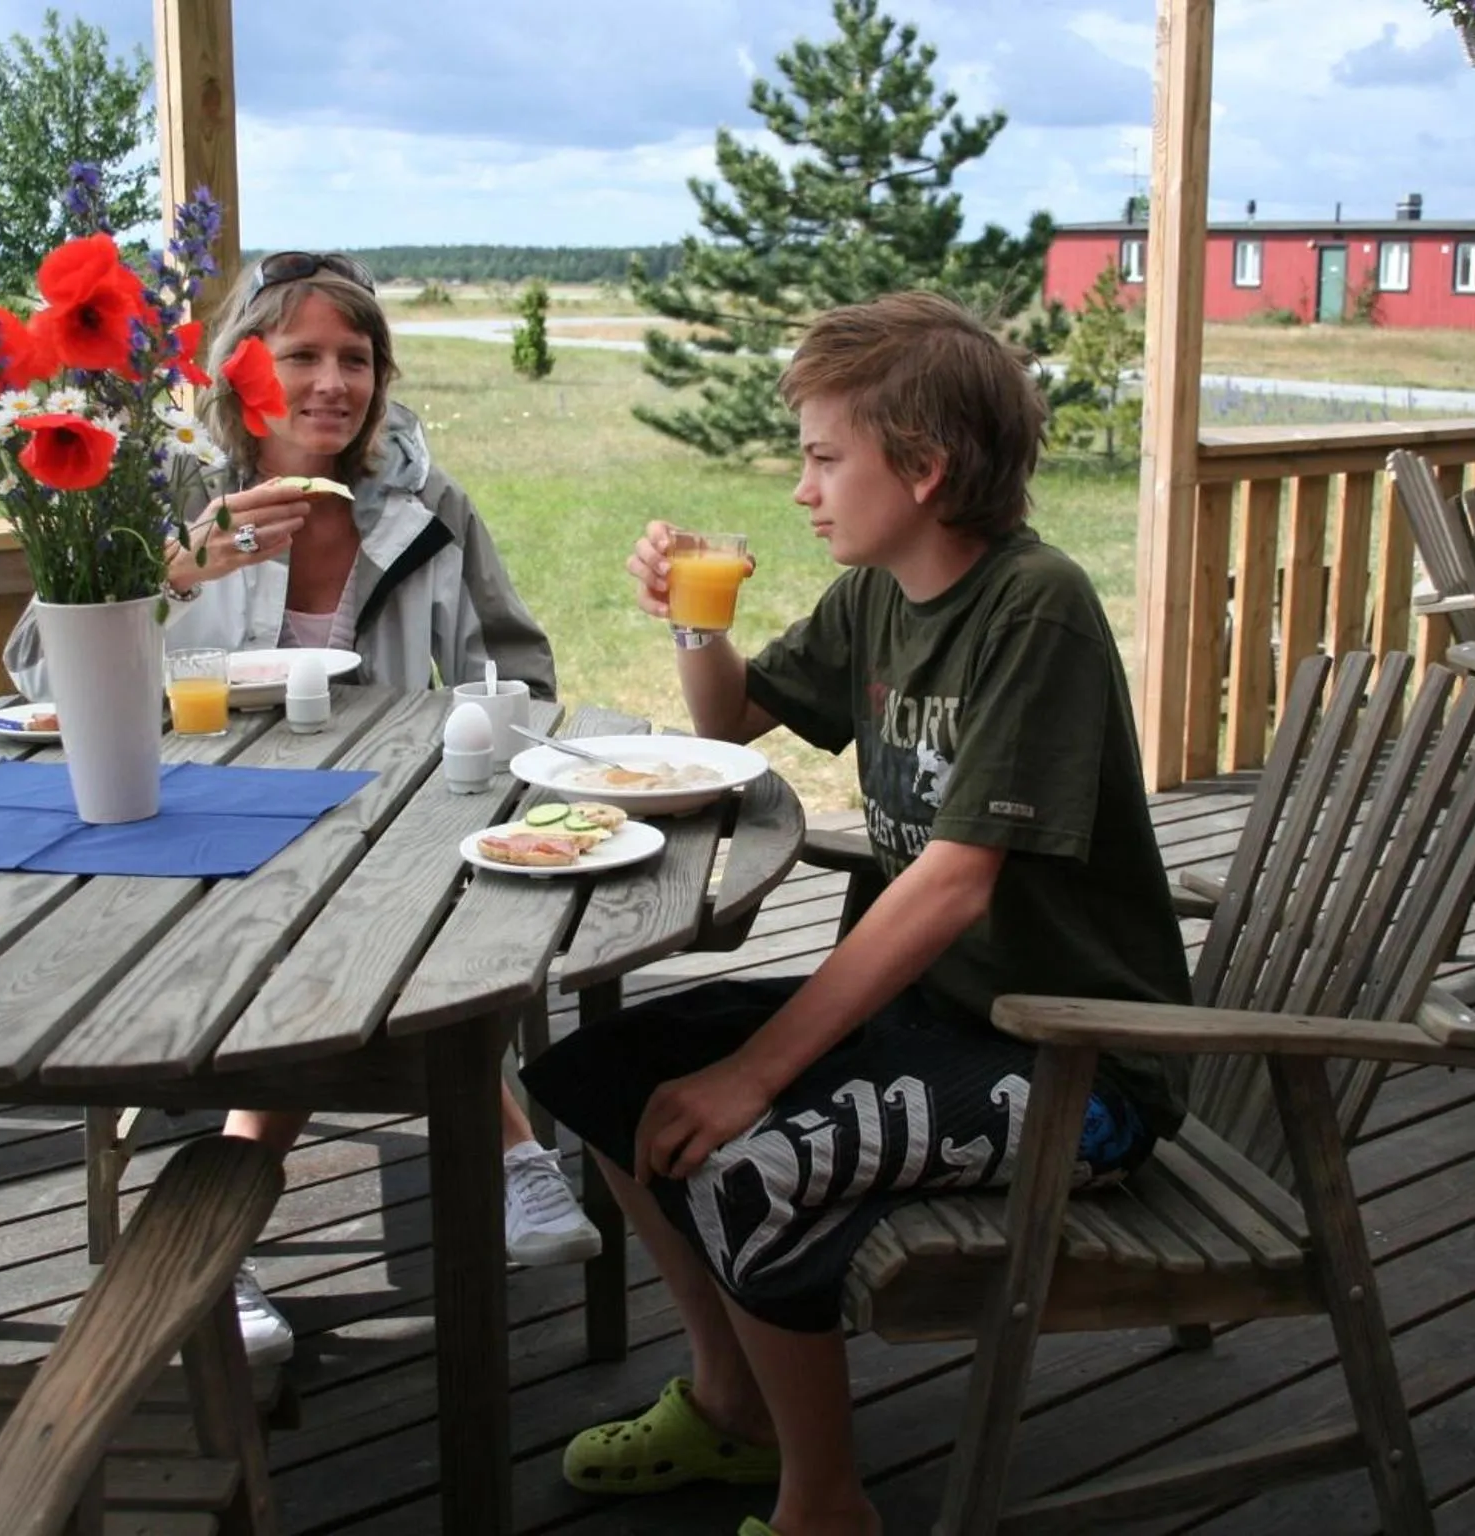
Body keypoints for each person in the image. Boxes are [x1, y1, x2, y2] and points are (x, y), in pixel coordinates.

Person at [520, 292, 1191, 1536]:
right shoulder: (881, 591)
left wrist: (757, 1070)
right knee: (600, 1073)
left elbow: (954, 881)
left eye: (826, 457)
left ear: (926, 471)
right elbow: (726, 725)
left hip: (1071, 1063)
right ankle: (736, 1408)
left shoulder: (1033, 607)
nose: (801, 488)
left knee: (746, 1159)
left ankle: (826, 1505)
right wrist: (694, 617)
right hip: (934, 1018)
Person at [4, 251, 600, 1364]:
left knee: (363, 928)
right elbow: (42, 675)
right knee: (321, 956)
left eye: (356, 359)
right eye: (302, 356)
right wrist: (177, 571)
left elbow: (516, 668)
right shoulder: (163, 493)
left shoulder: (427, 508)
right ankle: (510, 1145)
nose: (333, 382)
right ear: (242, 372)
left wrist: (484, 746)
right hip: (193, 823)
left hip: (380, 822)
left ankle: (209, 1251)